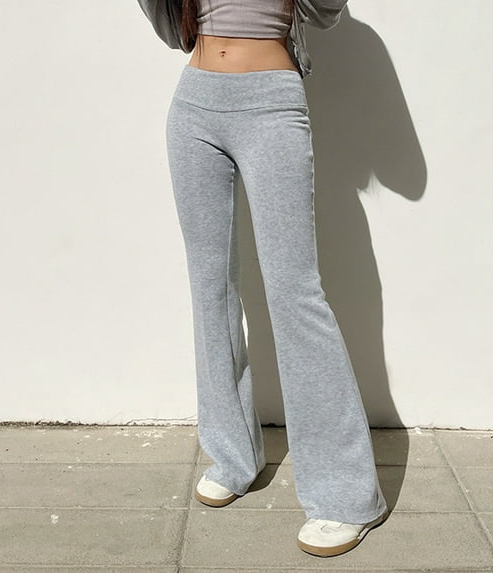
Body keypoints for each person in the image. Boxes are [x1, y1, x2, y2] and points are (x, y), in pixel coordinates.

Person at [136, 0, 389, 558]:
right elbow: (170, 28)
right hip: (194, 103)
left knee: (295, 293)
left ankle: (347, 496)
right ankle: (234, 456)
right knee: (210, 289)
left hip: (271, 103)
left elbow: (328, 12)